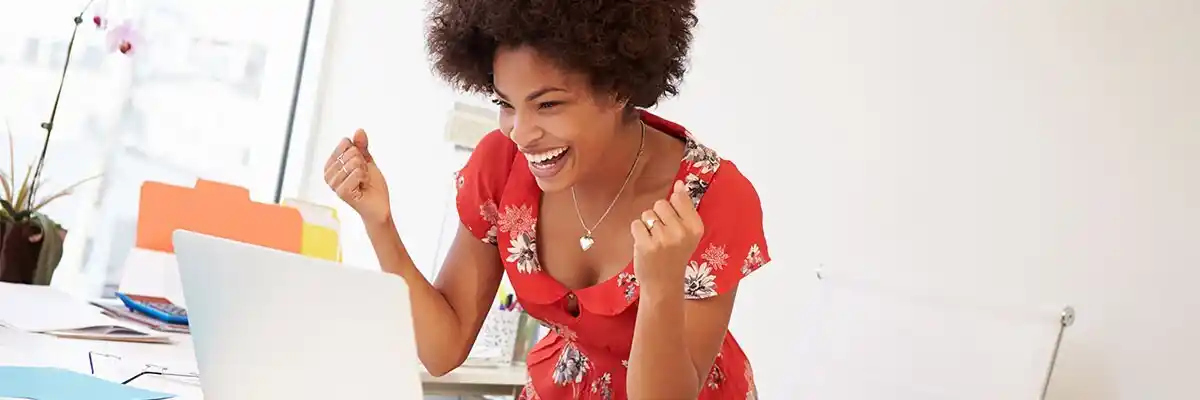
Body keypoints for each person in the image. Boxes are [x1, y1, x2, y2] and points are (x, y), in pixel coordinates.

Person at [323, 1, 770, 398]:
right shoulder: (501, 166)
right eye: (506, 103)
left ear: (616, 87)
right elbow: (442, 349)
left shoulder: (711, 199)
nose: (520, 132)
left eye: (548, 105)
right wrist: (379, 223)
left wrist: (660, 289)